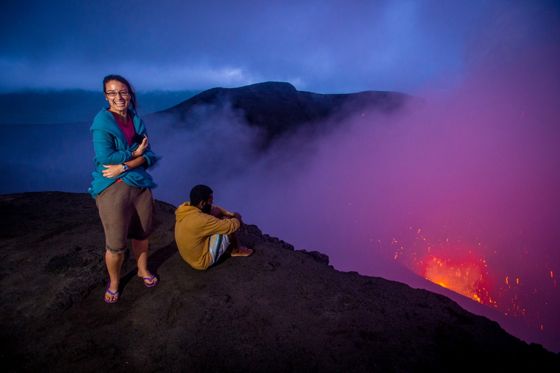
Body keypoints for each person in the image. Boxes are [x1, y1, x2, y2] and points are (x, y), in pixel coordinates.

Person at [88, 74, 159, 303]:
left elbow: (149, 154)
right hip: (113, 187)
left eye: (123, 92)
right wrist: (134, 154)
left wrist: (126, 164)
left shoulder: (136, 119)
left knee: (142, 233)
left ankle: (142, 269)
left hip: (139, 185)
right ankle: (115, 282)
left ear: (130, 94)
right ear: (105, 96)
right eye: (112, 93)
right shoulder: (102, 124)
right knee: (116, 244)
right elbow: (105, 158)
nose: (118, 97)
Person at [175, 184, 253, 270]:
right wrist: (237, 217)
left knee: (217, 215)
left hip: (188, 257)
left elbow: (215, 209)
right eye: (210, 202)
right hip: (201, 262)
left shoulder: (185, 209)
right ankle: (236, 251)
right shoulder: (202, 220)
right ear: (202, 203)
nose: (211, 204)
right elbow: (230, 226)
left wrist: (230, 213)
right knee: (226, 227)